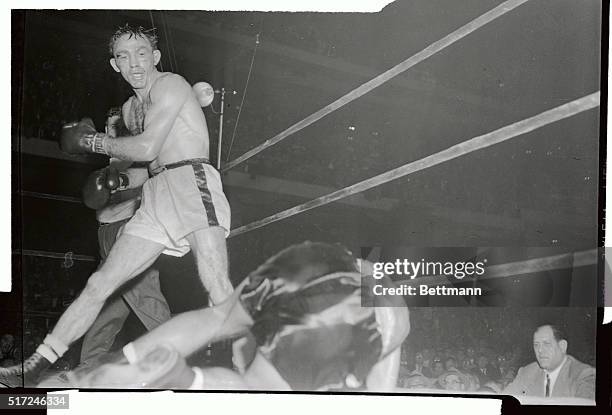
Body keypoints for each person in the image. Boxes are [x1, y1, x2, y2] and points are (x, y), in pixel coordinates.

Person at [1, 24, 232, 386]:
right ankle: (33, 366)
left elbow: (146, 148)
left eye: (141, 53)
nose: (134, 63)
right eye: (124, 56)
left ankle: (244, 368)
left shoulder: (170, 84)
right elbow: (144, 165)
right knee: (100, 283)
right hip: (156, 193)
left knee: (215, 281)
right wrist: (119, 179)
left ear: (154, 56)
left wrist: (90, 141)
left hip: (192, 181)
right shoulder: (129, 109)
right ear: (115, 65)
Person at [44, 242, 410, 391]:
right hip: (371, 310)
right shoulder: (389, 325)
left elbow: (216, 324)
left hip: (317, 258)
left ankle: (94, 374)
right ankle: (186, 380)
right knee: (259, 390)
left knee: (216, 318)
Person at [503, 324, 595, 400]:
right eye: (536, 345)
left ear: (562, 346)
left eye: (546, 344)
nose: (540, 350)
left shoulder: (584, 375)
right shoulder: (527, 372)